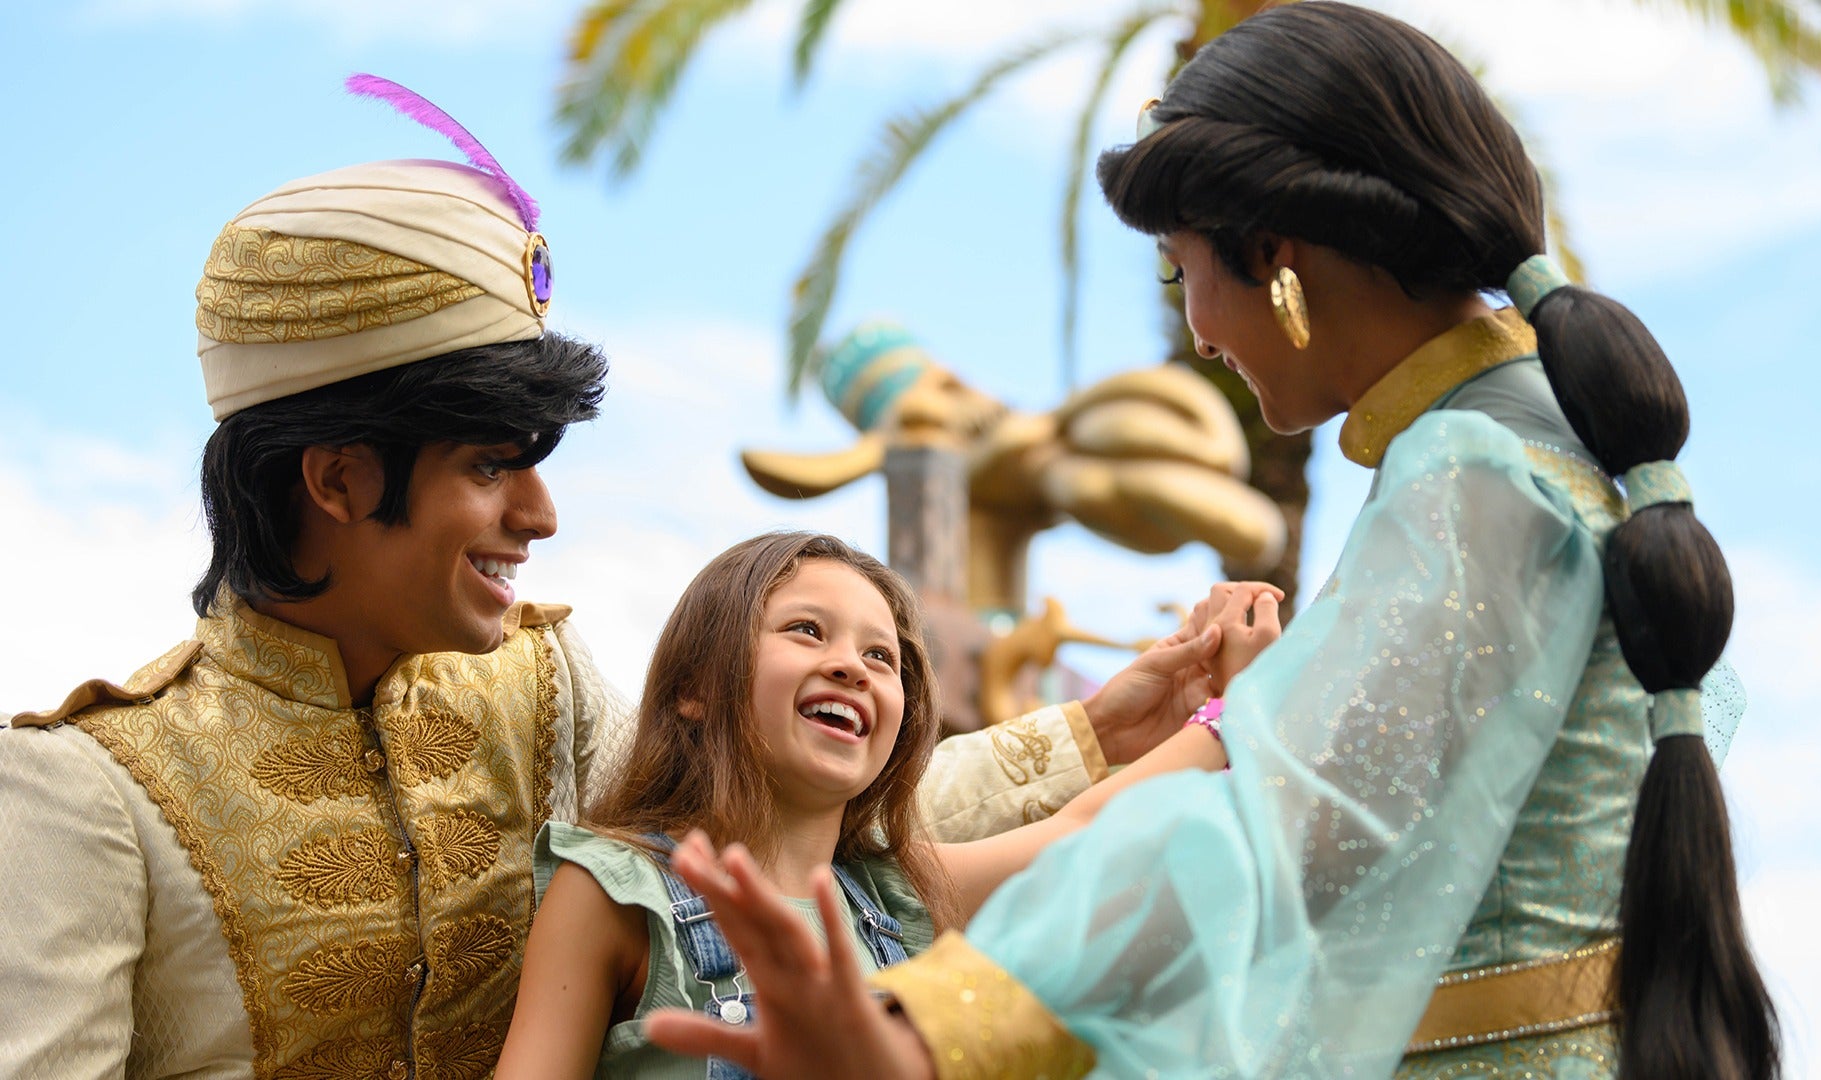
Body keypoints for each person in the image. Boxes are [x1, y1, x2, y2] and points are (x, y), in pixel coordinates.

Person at [632, 5, 1780, 1079]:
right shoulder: (1545, 444)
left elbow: (1272, 839)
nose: (1195, 329)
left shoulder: (1472, 472)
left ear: (1279, 259)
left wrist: (928, 1033)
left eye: (1184, 271)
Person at [0, 80, 1193, 1080]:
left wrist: (1087, 735)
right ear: (340, 479)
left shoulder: (539, 682)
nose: (541, 515)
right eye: (490, 467)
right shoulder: (85, 793)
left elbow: (770, 817)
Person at [494, 531, 1282, 1079]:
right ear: (695, 689)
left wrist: (1227, 712)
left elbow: (1084, 827)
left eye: (882, 656)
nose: (852, 667)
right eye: (807, 631)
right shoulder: (613, 889)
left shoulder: (892, 896)